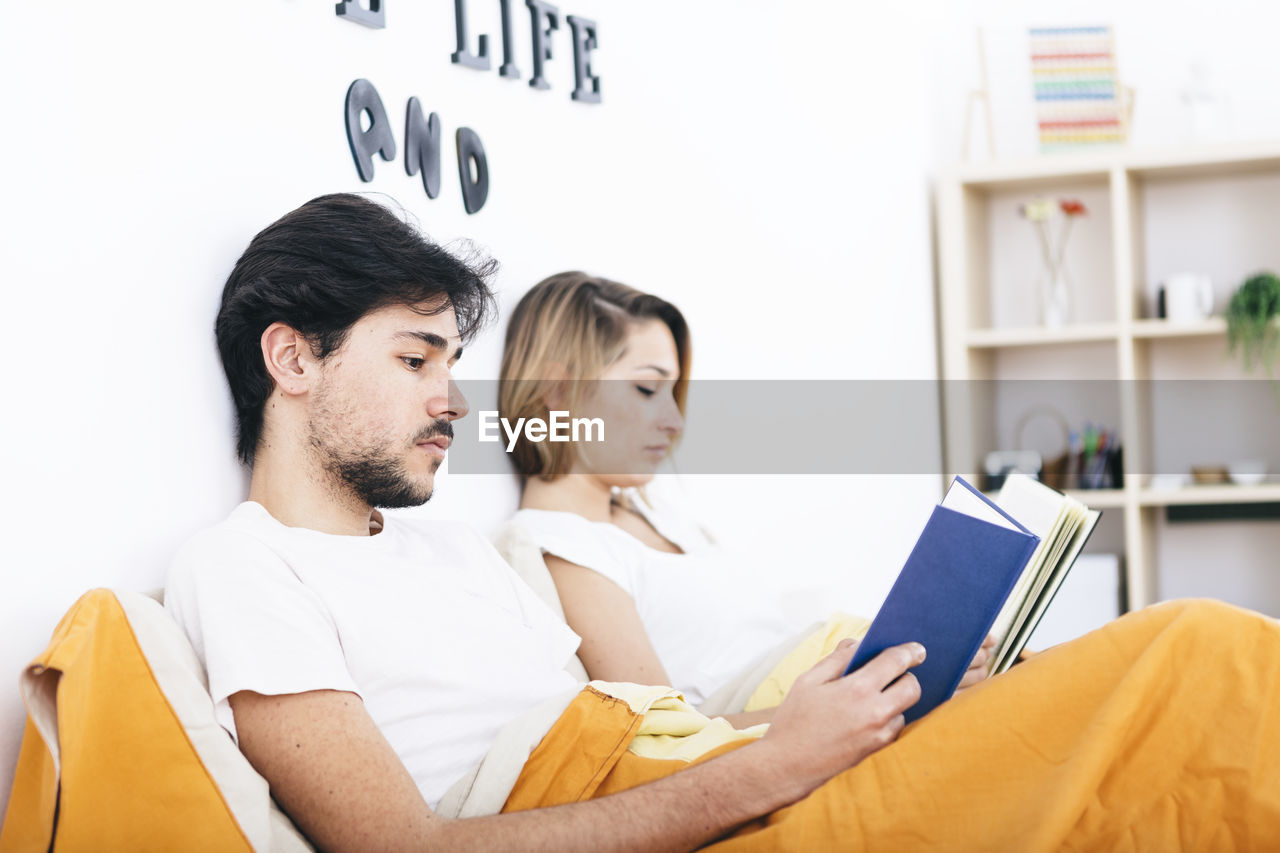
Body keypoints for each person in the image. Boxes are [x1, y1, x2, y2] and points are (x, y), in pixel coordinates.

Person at [166, 192, 1280, 851]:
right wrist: (767, 767)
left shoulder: (448, 548)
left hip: (719, 779)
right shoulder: (244, 566)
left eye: (448, 364)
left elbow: (642, 726)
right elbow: (402, 849)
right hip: (727, 814)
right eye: (416, 361)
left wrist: (806, 726)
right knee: (1193, 656)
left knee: (1173, 694)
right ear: (291, 358)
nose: (451, 400)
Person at [497, 272, 992, 723]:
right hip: (826, 723)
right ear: (557, 391)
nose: (674, 422)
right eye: (647, 388)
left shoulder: (657, 515)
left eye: (673, 393)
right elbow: (670, 732)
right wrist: (864, 700)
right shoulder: (562, 544)